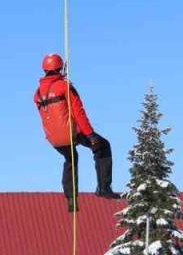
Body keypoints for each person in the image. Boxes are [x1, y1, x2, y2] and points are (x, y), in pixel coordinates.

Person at [34, 53, 121, 210]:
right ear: (60, 68)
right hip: (71, 132)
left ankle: (71, 200)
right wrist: (90, 134)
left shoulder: (38, 93)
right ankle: (104, 188)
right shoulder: (65, 86)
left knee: (71, 158)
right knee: (103, 146)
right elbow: (78, 112)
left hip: (54, 139)